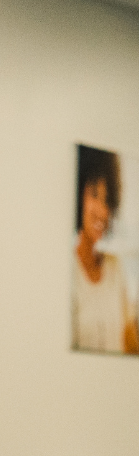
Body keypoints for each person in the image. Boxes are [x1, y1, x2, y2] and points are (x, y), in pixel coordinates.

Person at [74, 145, 137, 354]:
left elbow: (129, 343)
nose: (103, 211)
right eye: (94, 194)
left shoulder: (116, 267)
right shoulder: (66, 271)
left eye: (107, 200)